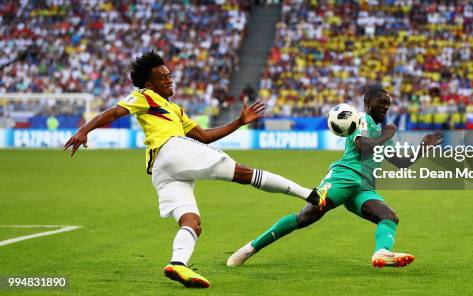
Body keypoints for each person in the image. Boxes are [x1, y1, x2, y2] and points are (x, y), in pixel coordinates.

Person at [64, 51, 323, 288]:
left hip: (163, 171)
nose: (169, 79)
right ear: (150, 83)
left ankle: (178, 264)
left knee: (192, 222)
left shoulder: (175, 110)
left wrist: (239, 122)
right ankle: (309, 194)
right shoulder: (145, 96)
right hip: (172, 150)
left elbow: (204, 135)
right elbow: (114, 112)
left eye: (169, 74)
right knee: (244, 173)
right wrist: (84, 130)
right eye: (162, 76)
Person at [227, 86, 442, 268]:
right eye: (382, 102)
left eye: (388, 103)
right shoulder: (362, 119)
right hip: (343, 178)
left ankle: (381, 253)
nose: (386, 106)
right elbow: (362, 147)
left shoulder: (381, 128)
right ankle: (250, 248)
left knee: (389, 217)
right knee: (305, 218)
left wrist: (423, 147)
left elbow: (400, 161)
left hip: (364, 187)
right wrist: (387, 134)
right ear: (367, 102)